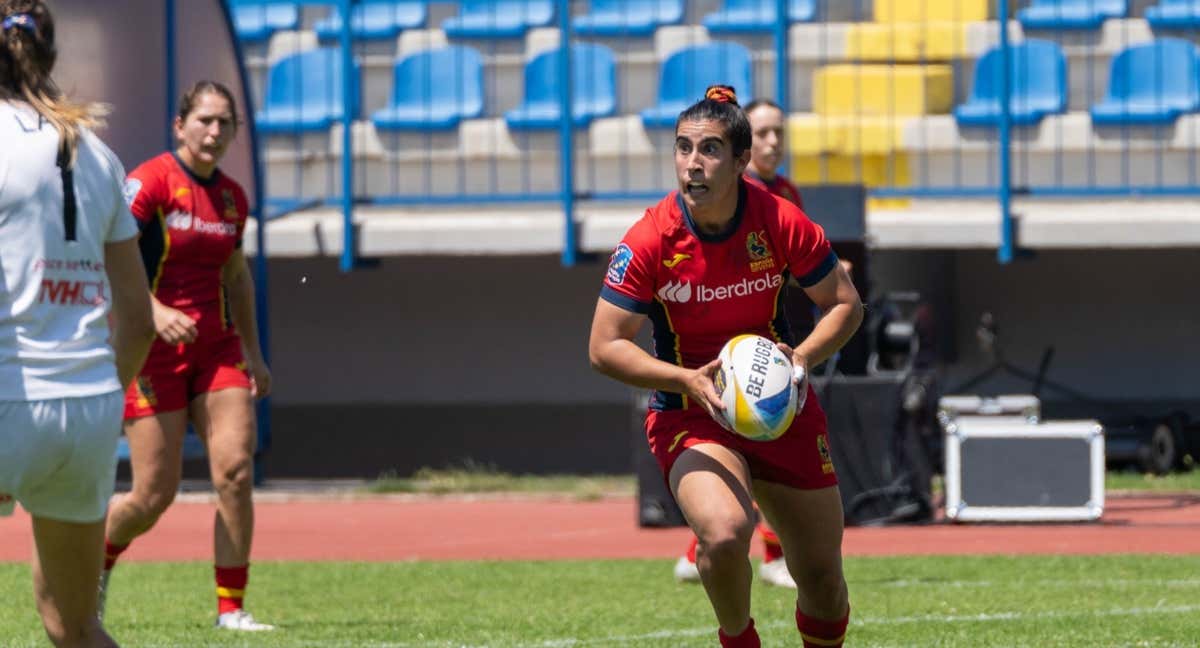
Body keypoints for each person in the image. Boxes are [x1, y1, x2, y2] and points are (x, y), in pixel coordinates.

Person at [589, 85, 862, 648]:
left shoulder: (779, 219)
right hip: (691, 412)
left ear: (742, 162)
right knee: (724, 533)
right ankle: (740, 639)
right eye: (684, 148)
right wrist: (685, 379)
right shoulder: (649, 239)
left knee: (822, 580)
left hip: (781, 410)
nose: (693, 163)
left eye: (710, 149)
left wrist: (802, 358)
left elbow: (846, 304)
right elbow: (605, 346)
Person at [0, 2, 156, 645]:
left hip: (11, 395)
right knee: (75, 626)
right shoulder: (98, 154)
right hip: (87, 410)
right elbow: (140, 321)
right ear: (52, 56)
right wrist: (102, 391)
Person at [100, 80, 274, 631]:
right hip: (150, 353)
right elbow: (111, 259)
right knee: (152, 495)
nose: (215, 131)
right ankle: (92, 562)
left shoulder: (233, 199)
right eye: (204, 120)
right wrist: (151, 312)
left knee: (235, 472)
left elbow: (236, 276)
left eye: (225, 122)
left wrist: (254, 351)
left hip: (217, 350)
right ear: (180, 125)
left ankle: (232, 610)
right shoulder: (147, 183)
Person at [673, 97, 807, 590]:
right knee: (740, 449)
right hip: (714, 357)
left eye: (780, 134)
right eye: (765, 132)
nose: (774, 143)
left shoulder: (786, 195)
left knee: (761, 449)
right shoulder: (710, 198)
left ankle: (721, 549)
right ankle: (752, 552)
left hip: (772, 346)